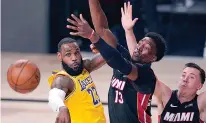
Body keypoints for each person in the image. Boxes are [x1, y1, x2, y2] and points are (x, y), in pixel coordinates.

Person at [67, 1, 166, 123]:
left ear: (153, 58)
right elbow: (103, 29)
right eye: (140, 42)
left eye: (146, 48)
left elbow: (119, 62)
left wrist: (92, 36)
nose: (139, 47)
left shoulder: (146, 75)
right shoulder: (125, 56)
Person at [47, 37, 106, 123]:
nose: (74, 58)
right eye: (68, 54)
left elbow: (108, 56)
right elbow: (54, 96)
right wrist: (62, 108)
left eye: (76, 53)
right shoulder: (62, 79)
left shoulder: (85, 66)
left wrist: (104, 49)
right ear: (59, 56)